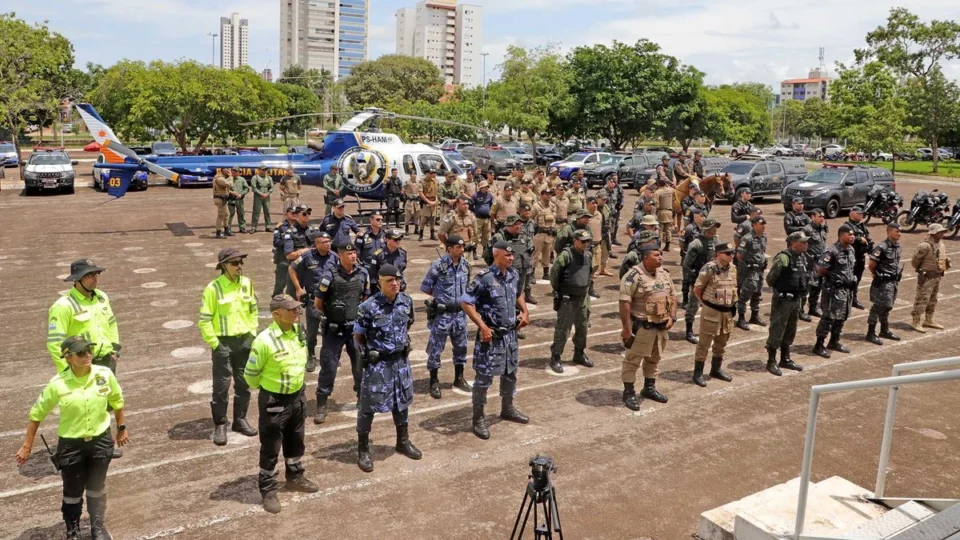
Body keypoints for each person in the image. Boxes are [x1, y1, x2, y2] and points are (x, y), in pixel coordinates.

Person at [15, 337, 127, 540]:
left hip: (100, 440)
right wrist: (26, 447)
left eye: (88, 351)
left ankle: (97, 526)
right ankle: (73, 529)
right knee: (72, 492)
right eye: (81, 352)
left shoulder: (104, 374)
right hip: (71, 445)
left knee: (96, 486)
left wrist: (121, 428)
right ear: (68, 358)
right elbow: (36, 415)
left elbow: (117, 401)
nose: (87, 355)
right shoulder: (57, 384)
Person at [245, 295, 320, 513]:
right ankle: (268, 489)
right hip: (275, 400)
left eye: (297, 308)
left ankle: (295, 477)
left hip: (297, 396)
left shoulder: (298, 331)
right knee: (271, 446)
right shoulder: (264, 341)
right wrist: (271, 388)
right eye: (291, 309)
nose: (297, 311)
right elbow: (250, 375)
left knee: (296, 439)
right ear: (276, 314)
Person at [352, 264, 422, 471]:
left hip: (400, 363)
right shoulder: (368, 307)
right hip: (378, 365)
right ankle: (363, 450)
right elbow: (358, 337)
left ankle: (403, 441)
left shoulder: (406, 302)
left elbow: (406, 325)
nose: (394, 284)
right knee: (368, 406)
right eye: (389, 280)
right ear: (379, 282)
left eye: (397, 280)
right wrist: (367, 355)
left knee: (402, 401)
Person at [461, 241, 531, 440]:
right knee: (483, 379)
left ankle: (507, 408)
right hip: (491, 338)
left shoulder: (513, 275)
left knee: (510, 373)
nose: (511, 258)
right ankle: (478, 418)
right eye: (507, 255)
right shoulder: (485, 278)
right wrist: (482, 326)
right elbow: (466, 303)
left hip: (510, 336)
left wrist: (525, 311)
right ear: (496, 255)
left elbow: (518, 294)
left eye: (512, 256)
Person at [199, 248, 259, 445]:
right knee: (221, 386)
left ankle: (240, 420)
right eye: (234, 263)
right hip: (223, 342)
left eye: (241, 262)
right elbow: (204, 320)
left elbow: (253, 310)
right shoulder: (213, 288)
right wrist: (215, 344)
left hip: (244, 341)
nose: (239, 266)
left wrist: (252, 333)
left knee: (244, 383)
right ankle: (221, 424)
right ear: (223, 265)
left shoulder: (247, 284)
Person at [313, 242, 370, 424]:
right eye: (349, 253)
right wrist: (332, 316)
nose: (353, 256)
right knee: (329, 366)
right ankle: (322, 403)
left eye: (354, 253)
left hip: (355, 328)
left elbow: (365, 299)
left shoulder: (363, 273)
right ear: (340, 256)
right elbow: (318, 303)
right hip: (334, 329)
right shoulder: (329, 275)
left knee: (360, 364)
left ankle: (362, 397)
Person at [619, 246, 676, 409]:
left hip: (661, 327)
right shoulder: (633, 276)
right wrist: (626, 329)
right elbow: (624, 303)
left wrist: (672, 316)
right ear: (645, 258)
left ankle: (649, 388)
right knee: (632, 361)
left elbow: (673, 296)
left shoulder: (664, 274)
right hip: (643, 328)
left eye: (661, 255)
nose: (660, 257)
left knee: (654, 359)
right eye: (656, 255)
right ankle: (629, 392)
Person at [421, 234, 472, 398]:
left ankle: (459, 377)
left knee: (461, 347)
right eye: (458, 247)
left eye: (463, 247)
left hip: (460, 314)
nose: (462, 250)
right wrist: (441, 297)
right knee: (436, 349)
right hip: (442, 315)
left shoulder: (466, 265)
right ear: (449, 248)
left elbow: (467, 286)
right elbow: (426, 287)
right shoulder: (438, 265)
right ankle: (434, 381)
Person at [48, 259, 120, 374]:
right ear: (77, 279)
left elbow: (111, 324)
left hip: (107, 363)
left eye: (95, 274)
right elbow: (55, 343)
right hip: (81, 367)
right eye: (89, 275)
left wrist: (115, 352)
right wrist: (68, 371)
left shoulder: (102, 297)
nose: (95, 278)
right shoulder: (63, 306)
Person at [691, 242, 738, 386]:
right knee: (704, 343)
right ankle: (698, 373)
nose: (731, 255)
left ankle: (715, 369)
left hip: (727, 311)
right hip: (712, 310)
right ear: (718, 254)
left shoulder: (733, 268)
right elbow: (697, 289)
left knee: (721, 342)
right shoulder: (710, 268)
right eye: (728, 253)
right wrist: (705, 304)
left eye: (732, 253)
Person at [289, 230, 336, 372]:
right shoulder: (306, 256)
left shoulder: (334, 257)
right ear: (316, 244)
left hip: (330, 299)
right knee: (312, 331)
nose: (328, 244)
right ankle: (310, 355)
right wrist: (298, 288)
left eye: (329, 242)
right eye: (324, 242)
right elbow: (292, 269)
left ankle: (329, 356)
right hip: (313, 298)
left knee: (330, 329)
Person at [548, 229, 594, 373]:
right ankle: (555, 356)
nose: (586, 244)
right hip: (568, 298)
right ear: (575, 240)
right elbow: (554, 273)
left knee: (582, 327)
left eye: (588, 241)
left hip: (583, 298)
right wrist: (560, 291)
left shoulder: (588, 255)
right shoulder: (566, 255)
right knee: (563, 329)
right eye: (583, 241)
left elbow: (589, 272)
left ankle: (579, 353)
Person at [764, 232, 809, 375]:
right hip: (783, 300)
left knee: (790, 329)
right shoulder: (783, 258)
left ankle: (785, 358)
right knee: (777, 329)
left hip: (796, 300)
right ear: (793, 243)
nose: (805, 244)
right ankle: (771, 361)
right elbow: (771, 279)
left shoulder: (802, 257)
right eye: (802, 242)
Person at [812, 224, 857, 358]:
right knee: (828, 318)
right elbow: (820, 269)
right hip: (833, 291)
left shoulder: (851, 250)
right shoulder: (831, 251)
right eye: (849, 234)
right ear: (841, 236)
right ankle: (819, 345)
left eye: (853, 234)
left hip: (846, 290)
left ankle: (834, 341)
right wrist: (834, 279)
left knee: (842, 316)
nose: (852, 237)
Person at [682, 218, 721, 343]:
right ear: (707, 229)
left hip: (712, 278)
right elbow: (687, 264)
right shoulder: (696, 244)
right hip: (698, 278)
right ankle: (689, 331)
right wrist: (694, 278)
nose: (715, 229)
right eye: (713, 227)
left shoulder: (715, 241)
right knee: (693, 305)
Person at [487, 214, 535, 308]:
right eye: (515, 224)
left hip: (521, 270)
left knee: (518, 292)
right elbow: (488, 255)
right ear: (508, 225)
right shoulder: (499, 237)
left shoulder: (524, 236)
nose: (519, 226)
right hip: (505, 272)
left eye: (520, 224)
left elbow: (530, 250)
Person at [910, 223, 951, 332]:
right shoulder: (924, 246)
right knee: (922, 299)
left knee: (933, 299)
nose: (942, 234)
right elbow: (914, 262)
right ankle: (916, 321)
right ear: (933, 233)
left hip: (937, 276)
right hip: (927, 277)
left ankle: (928, 320)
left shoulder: (941, 244)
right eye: (940, 232)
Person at [866, 223, 903, 345]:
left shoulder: (898, 246)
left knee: (888, 306)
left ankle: (884, 330)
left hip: (893, 281)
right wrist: (877, 274)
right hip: (883, 282)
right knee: (878, 306)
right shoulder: (882, 247)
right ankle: (870, 333)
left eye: (900, 231)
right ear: (889, 232)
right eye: (896, 231)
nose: (899, 234)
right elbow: (871, 264)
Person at [736, 216, 768, 330]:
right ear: (753, 225)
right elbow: (739, 256)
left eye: (764, 224)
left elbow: (762, 252)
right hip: (749, 271)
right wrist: (747, 267)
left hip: (759, 270)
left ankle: (754, 315)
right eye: (761, 224)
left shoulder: (764, 237)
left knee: (757, 294)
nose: (763, 226)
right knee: (744, 295)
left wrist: (763, 261)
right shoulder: (747, 238)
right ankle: (741, 318)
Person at [272, 206, 307, 297]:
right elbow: (276, 242)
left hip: (297, 260)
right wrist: (290, 242)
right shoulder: (280, 226)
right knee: (280, 284)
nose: (295, 215)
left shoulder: (301, 226)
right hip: (283, 260)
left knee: (294, 286)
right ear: (286, 214)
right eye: (292, 213)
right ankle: (276, 302)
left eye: (296, 213)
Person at [801, 209, 828, 320]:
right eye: (819, 216)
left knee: (817, 286)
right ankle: (800, 310)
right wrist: (808, 258)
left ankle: (813, 308)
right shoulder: (807, 229)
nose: (821, 218)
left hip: (820, 263)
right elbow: (801, 245)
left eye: (822, 217)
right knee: (806, 286)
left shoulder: (823, 228)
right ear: (812, 217)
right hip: (810, 263)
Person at [845, 206, 872, 310]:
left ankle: (853, 299)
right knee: (848, 279)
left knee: (857, 279)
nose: (861, 215)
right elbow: (844, 237)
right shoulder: (847, 226)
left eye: (862, 214)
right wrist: (858, 238)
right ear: (851, 213)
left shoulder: (862, 226)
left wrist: (870, 249)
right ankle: (846, 299)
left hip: (860, 257)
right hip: (851, 257)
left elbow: (868, 238)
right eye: (858, 214)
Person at [369, 228, 408, 294]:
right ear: (387, 240)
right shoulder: (378, 255)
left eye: (399, 239)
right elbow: (373, 275)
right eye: (395, 239)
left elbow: (401, 270)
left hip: (398, 288)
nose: (398, 241)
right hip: (383, 289)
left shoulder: (403, 253)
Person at [532, 188, 559, 281]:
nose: (549, 196)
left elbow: (554, 219)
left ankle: (546, 273)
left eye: (550, 194)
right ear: (542, 195)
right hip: (539, 234)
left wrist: (554, 230)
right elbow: (530, 219)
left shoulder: (552, 206)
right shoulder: (536, 206)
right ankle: (532, 274)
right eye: (546, 194)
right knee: (535, 254)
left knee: (547, 254)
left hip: (549, 234)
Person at [249, 166, 274, 233]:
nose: (264, 171)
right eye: (263, 170)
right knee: (256, 212)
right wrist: (261, 194)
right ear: (259, 170)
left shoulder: (269, 178)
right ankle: (254, 227)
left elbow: (272, 187)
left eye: (265, 170)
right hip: (258, 197)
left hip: (266, 197)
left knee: (267, 211)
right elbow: (254, 188)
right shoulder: (255, 177)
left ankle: (268, 226)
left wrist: (268, 193)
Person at [472, 181, 495, 255]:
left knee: (487, 236)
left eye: (487, 187)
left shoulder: (490, 196)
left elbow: (492, 205)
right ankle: (474, 251)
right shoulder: (475, 195)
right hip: (478, 218)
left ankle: (485, 252)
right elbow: (471, 205)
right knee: (476, 235)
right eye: (485, 187)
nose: (486, 188)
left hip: (487, 219)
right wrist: (473, 213)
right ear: (481, 188)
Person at [602, 174, 625, 245]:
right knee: (606, 227)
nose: (615, 180)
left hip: (615, 210)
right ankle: (606, 242)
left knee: (615, 225)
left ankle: (613, 239)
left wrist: (621, 204)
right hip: (606, 212)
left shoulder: (618, 188)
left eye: (616, 179)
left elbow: (622, 197)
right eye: (613, 179)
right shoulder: (604, 190)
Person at [653, 177, 675, 251]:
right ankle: (667, 245)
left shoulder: (658, 192)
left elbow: (655, 203)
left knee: (660, 230)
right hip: (669, 212)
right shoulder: (671, 190)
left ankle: (658, 246)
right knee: (668, 230)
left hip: (661, 212)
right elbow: (674, 198)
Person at [212, 168, 234, 238]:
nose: (228, 172)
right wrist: (230, 176)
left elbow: (225, 189)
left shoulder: (223, 178)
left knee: (227, 215)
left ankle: (226, 231)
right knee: (221, 216)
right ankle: (218, 233)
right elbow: (230, 184)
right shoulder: (219, 179)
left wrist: (233, 193)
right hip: (220, 199)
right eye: (226, 171)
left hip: (224, 199)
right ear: (223, 171)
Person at [228, 167, 249, 234]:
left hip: (239, 199)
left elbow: (247, 188)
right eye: (234, 171)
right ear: (231, 171)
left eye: (236, 171)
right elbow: (225, 189)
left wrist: (241, 194)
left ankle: (242, 228)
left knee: (241, 214)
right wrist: (231, 192)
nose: (235, 173)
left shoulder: (242, 179)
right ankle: (228, 229)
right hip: (230, 200)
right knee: (230, 214)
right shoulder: (228, 179)